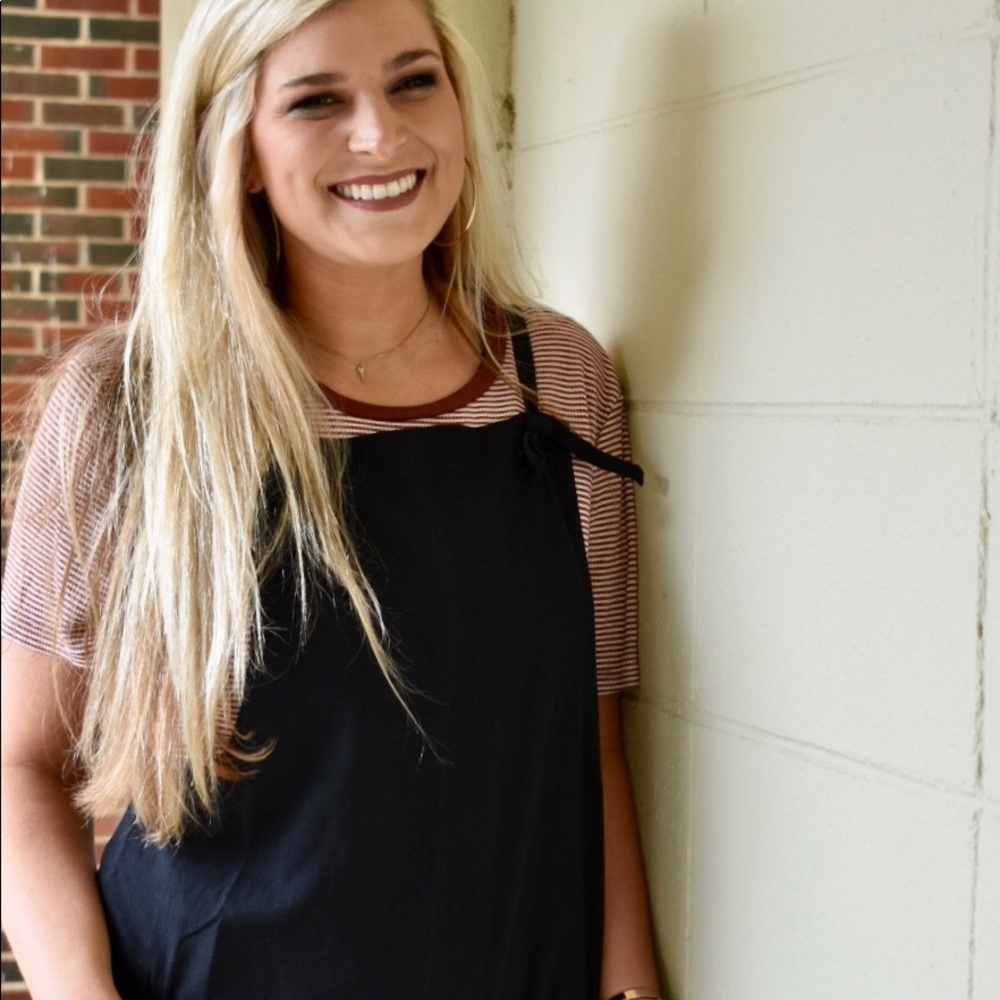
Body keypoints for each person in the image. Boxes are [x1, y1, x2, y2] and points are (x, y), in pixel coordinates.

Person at [0, 0, 663, 997]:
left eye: (413, 81)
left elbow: (592, 744)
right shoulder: (125, 407)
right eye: (316, 100)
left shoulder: (558, 382)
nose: (380, 134)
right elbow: (21, 770)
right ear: (240, 149)